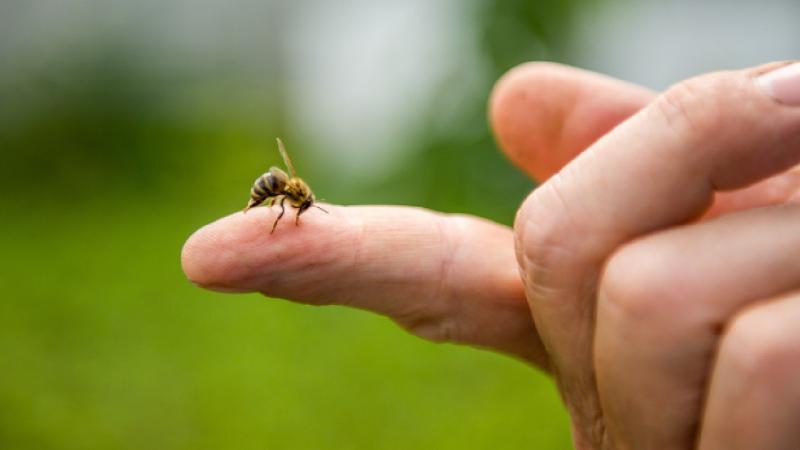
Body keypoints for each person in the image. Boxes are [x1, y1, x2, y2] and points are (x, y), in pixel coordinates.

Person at [181, 61, 800, 450]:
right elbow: (284, 196)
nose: (296, 204)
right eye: (297, 202)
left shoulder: (297, 198)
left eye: (296, 203)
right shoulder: (288, 195)